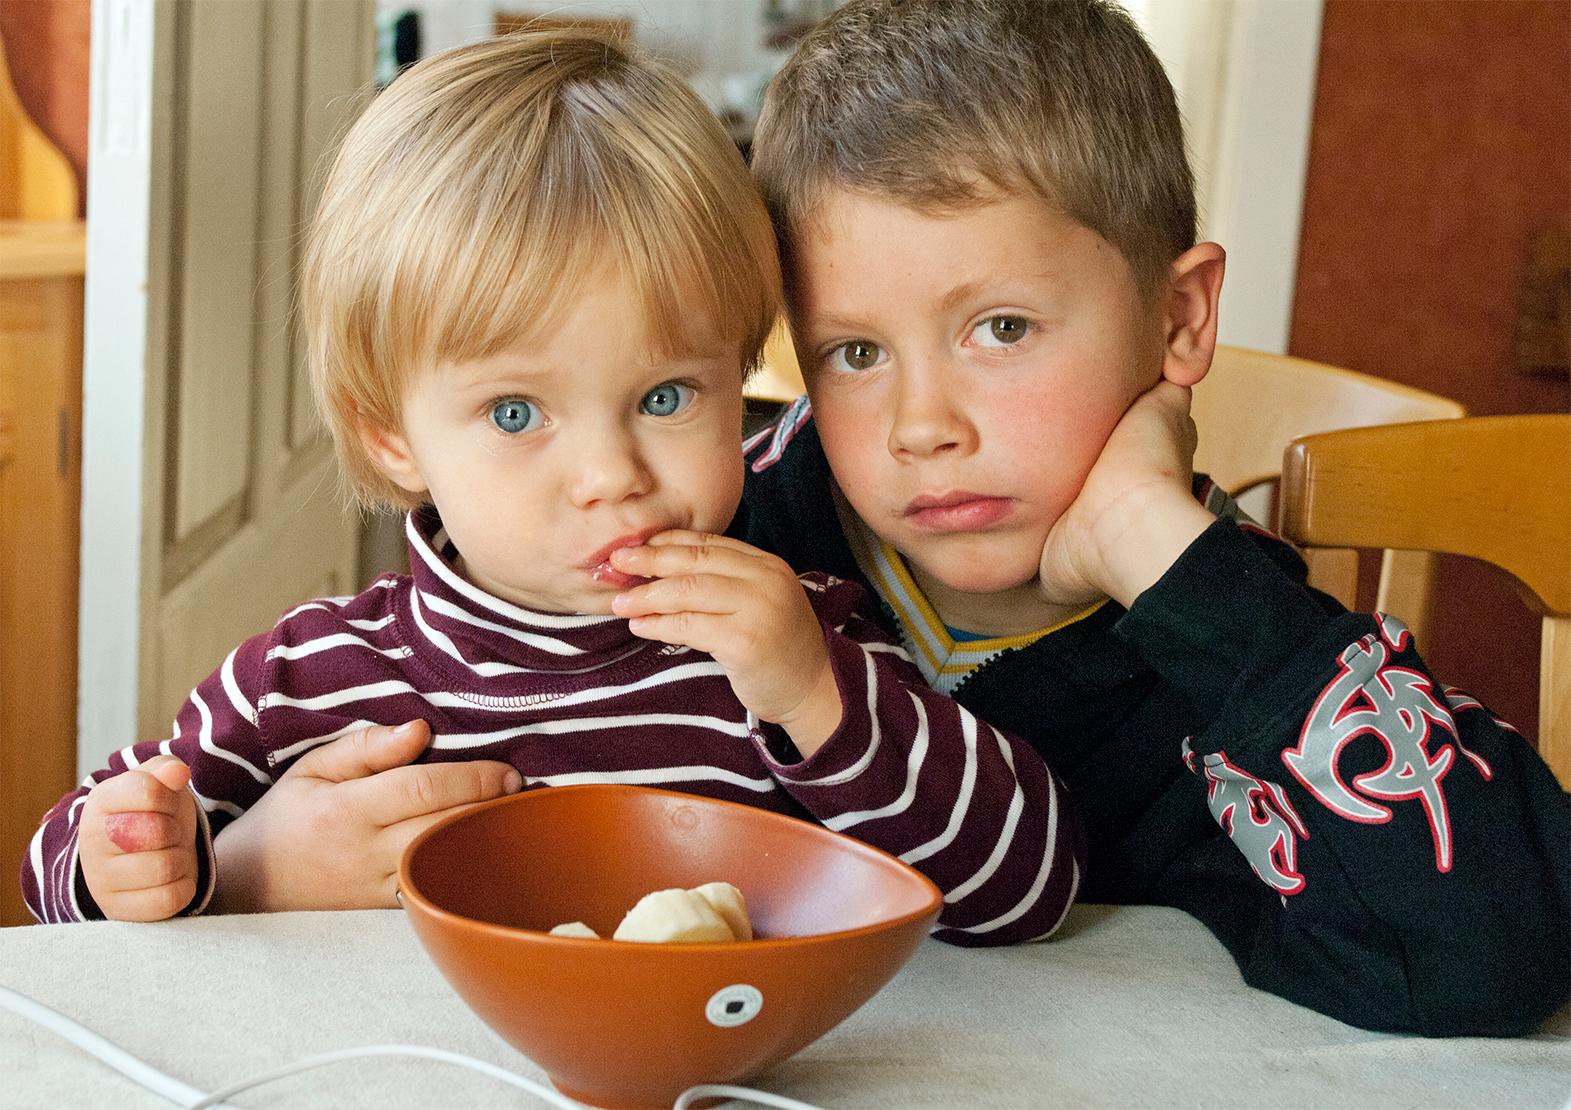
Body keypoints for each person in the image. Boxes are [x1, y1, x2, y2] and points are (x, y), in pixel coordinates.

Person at [21, 30, 1081, 945]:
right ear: (388, 434)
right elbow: (64, 881)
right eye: (517, 414)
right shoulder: (312, 678)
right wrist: (220, 872)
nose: (611, 477)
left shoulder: (793, 648)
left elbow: (1025, 895)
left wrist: (814, 694)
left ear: (740, 377)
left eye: (666, 396)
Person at [729, 0, 1570, 1037]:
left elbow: (1489, 955)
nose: (921, 427)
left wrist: (1153, 544)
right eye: (853, 353)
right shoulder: (735, 532)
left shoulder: (1228, 631)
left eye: (999, 328)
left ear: (1176, 320)